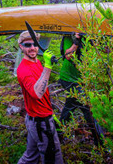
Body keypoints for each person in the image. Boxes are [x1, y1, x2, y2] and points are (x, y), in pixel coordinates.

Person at [16, 31, 64, 164]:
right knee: (53, 159)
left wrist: (50, 112)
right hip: (41, 123)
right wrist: (48, 66)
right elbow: (37, 93)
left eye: (35, 44)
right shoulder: (23, 70)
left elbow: (43, 90)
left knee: (30, 157)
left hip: (38, 119)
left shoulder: (36, 62)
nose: (32, 47)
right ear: (21, 46)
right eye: (27, 44)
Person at [59, 33, 104, 146]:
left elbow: (106, 50)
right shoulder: (69, 37)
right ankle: (101, 144)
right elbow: (68, 56)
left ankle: (57, 135)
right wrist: (76, 42)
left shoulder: (92, 35)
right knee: (88, 108)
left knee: (70, 107)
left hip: (84, 79)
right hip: (69, 79)